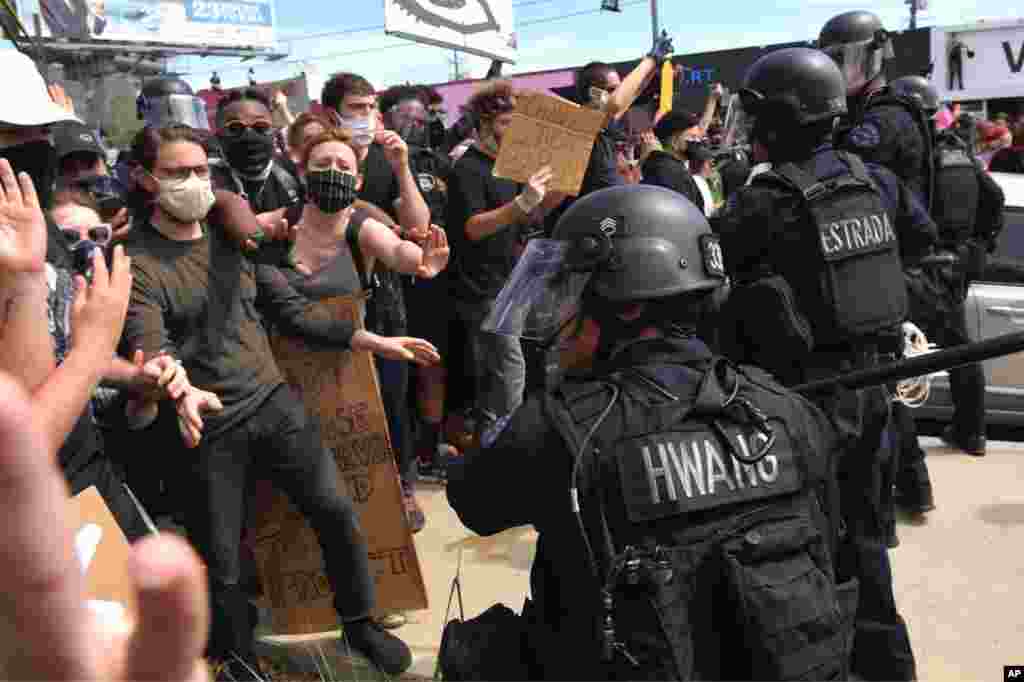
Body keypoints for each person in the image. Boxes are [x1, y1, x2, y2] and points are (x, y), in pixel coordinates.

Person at [444, 184, 853, 681]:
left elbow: (473, 501)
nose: (558, 316)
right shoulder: (789, 412)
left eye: (571, 293)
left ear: (627, 306)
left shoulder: (560, 426)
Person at [121, 125, 414, 679]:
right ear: (143, 177)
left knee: (335, 511)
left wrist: (365, 339)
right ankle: (235, 653)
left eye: (201, 171)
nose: (193, 183)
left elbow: (284, 307)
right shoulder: (136, 262)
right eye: (177, 173)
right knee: (223, 560)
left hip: (273, 401)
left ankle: (361, 622)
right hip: (207, 426)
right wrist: (177, 386)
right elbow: (150, 346)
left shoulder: (230, 234)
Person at [715, 47, 936, 682]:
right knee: (866, 542)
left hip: (806, 402)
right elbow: (921, 249)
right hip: (876, 395)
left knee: (807, 549)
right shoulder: (879, 182)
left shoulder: (763, 203)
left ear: (775, 120)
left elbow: (700, 276)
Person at [321, 72, 432, 516]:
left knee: (392, 396)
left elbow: (419, 227)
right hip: (333, 296)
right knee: (342, 399)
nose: (366, 117)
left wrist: (402, 166)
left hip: (385, 299)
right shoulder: (323, 159)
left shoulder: (390, 161)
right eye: (356, 108)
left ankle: (403, 487)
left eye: (371, 108)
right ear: (333, 114)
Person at [889, 75, 1005, 464]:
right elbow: (995, 198)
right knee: (960, 351)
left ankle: (906, 466)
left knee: (888, 358)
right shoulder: (959, 153)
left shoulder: (911, 159)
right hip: (953, 271)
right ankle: (972, 433)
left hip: (914, 270)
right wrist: (980, 245)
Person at [445, 81, 564, 440]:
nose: (513, 133)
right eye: (504, 123)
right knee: (506, 373)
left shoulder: (511, 167)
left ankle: (510, 439)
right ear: (483, 123)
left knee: (521, 365)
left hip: (517, 276)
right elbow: (472, 228)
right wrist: (520, 204)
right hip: (483, 288)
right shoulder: (468, 168)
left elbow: (531, 217)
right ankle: (500, 449)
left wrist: (557, 187)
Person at [379, 84, 459, 487]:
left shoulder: (440, 163)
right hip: (389, 284)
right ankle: (402, 457)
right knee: (394, 373)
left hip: (434, 282)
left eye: (420, 117)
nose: (415, 123)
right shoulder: (371, 162)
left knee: (432, 364)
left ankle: (430, 445)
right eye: (405, 116)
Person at [819, 11, 931, 206]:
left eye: (843, 58)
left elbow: (835, 170)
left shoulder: (887, 116)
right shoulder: (857, 112)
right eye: (831, 61)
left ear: (875, 56)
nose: (836, 70)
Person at [211, 89, 304, 226]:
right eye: (235, 128)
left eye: (261, 126)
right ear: (219, 138)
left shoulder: (292, 171)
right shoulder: (208, 181)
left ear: (274, 133)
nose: (249, 136)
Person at [638, 112, 704, 211]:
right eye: (692, 137)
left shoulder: (666, 167)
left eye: (698, 138)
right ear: (674, 140)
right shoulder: (671, 172)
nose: (697, 142)